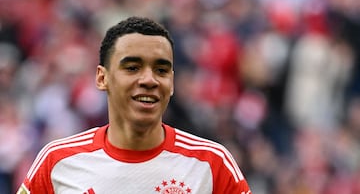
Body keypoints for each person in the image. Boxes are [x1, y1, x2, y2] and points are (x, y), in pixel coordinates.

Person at [17, 16, 252, 194]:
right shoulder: (56, 161)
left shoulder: (212, 163)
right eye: (132, 68)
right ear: (102, 78)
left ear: (171, 83)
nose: (149, 80)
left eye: (161, 70)